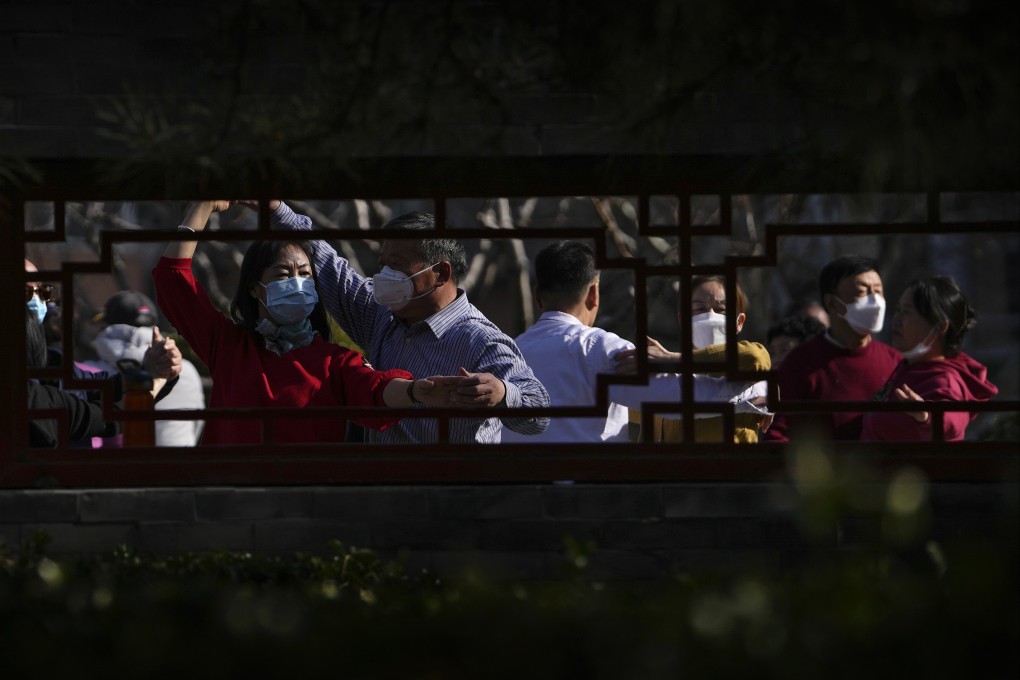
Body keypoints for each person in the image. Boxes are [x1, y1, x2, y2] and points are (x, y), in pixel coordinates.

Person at [154, 201, 460, 446]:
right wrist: (202, 207)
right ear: (254, 287)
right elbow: (173, 279)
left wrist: (416, 392)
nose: (297, 283)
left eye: (306, 275)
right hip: (228, 501)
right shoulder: (228, 346)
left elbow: (377, 391)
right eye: (283, 275)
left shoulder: (335, 362)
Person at [263, 200, 550, 444]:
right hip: (386, 495)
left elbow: (539, 413)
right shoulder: (380, 314)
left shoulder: (481, 340)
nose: (385, 274)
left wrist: (502, 393)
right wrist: (276, 208)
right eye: (382, 264)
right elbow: (326, 263)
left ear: (440, 272)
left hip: (452, 497)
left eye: (396, 265)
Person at [614, 274, 772, 443]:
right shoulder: (665, 380)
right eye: (699, 309)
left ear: (739, 322)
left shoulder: (749, 369)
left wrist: (672, 359)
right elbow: (621, 402)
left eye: (721, 310)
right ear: (683, 319)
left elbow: (754, 358)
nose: (711, 316)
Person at [502, 241, 633, 443]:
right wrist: (676, 359)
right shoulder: (603, 349)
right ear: (593, 294)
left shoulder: (506, 355)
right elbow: (687, 398)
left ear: (538, 296)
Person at [764, 254, 902, 442]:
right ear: (832, 303)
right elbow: (778, 433)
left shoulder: (896, 363)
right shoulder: (801, 363)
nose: (875, 301)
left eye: (878, 291)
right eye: (862, 292)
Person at [862, 276, 997, 441]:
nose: (896, 320)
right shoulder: (905, 367)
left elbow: (951, 420)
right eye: (898, 310)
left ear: (940, 326)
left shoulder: (945, 379)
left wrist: (927, 417)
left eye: (907, 312)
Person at [27, 309, 180, 448]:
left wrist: (150, 375)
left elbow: (104, 393)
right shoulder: (35, 391)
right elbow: (99, 416)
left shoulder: (58, 365)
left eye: (44, 291)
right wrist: (153, 380)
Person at [86, 290, 207, 447]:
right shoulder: (185, 368)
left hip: (122, 468)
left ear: (107, 328)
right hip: (180, 464)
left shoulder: (91, 372)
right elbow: (197, 423)